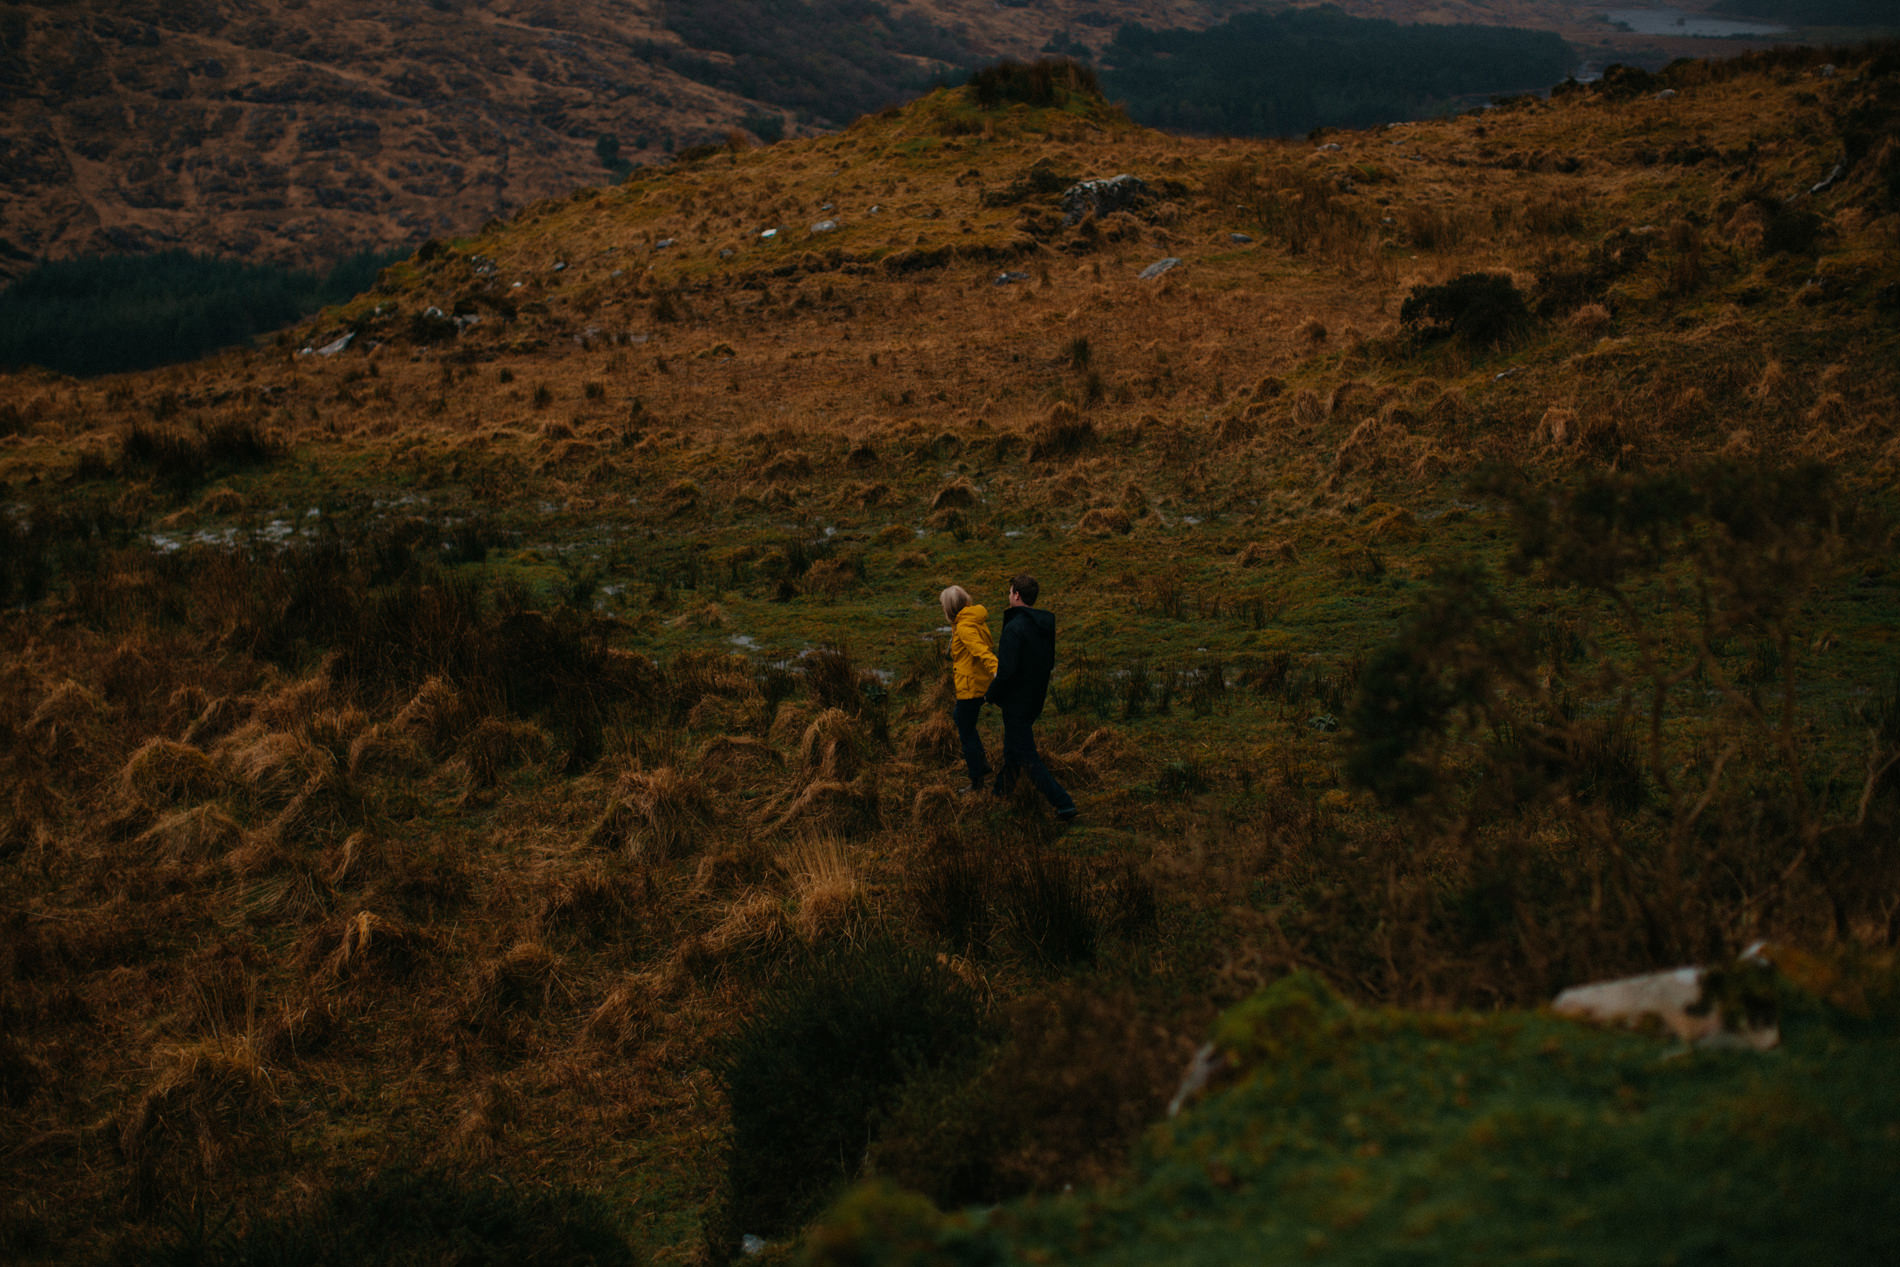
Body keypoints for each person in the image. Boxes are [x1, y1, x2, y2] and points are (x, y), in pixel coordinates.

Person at [984, 573, 1077, 821]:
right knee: (1014, 748)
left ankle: (1063, 803)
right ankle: (1001, 792)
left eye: (1010, 591)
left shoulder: (1014, 628)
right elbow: (1047, 663)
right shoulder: (1043, 626)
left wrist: (990, 694)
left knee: (1026, 755)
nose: (1008, 595)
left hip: (1017, 701)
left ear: (1016, 595)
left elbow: (1006, 670)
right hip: (1035, 696)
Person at [941, 585, 997, 793]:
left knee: (965, 730)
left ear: (950, 608)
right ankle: (981, 765)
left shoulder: (964, 627)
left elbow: (980, 650)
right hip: (976, 682)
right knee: (963, 721)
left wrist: (997, 670)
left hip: (970, 686)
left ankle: (976, 780)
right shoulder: (970, 618)